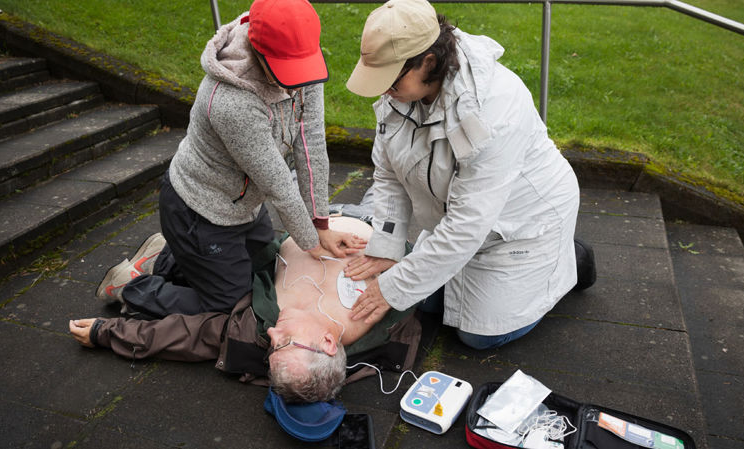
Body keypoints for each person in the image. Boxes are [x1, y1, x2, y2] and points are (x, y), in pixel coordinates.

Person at [94, 0, 364, 319]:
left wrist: (320, 222)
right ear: (258, 51)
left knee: (267, 268)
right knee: (231, 309)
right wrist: (313, 242)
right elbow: (277, 183)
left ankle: (162, 259)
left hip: (243, 206)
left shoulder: (301, 59)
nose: (294, 84)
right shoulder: (230, 103)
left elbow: (311, 139)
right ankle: (129, 287)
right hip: (200, 210)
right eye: (283, 72)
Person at [343, 0, 587, 350]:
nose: (384, 89)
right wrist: (386, 245)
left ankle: (565, 263)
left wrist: (392, 287)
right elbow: (389, 174)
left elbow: (467, 224)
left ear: (428, 61)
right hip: (462, 219)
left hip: (522, 224)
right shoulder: (400, 92)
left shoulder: (494, 110)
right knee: (424, 303)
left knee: (478, 336)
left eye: (391, 78)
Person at [71, 217, 420, 403]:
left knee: (212, 302)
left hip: (244, 271)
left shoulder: (255, 334)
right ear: (328, 344)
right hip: (363, 215)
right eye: (284, 342)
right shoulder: (386, 320)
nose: (272, 334)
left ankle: (132, 283)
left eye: (272, 346)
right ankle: (164, 257)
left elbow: (189, 335)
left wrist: (107, 332)